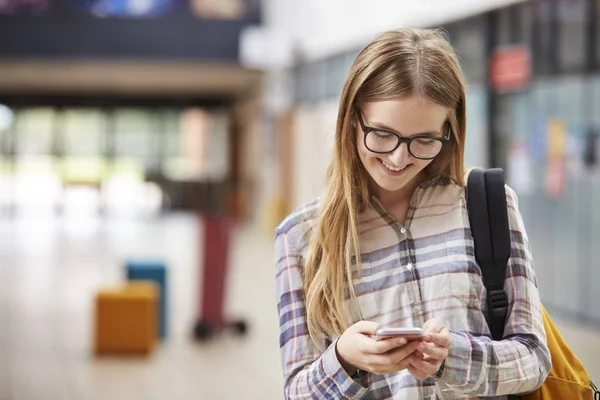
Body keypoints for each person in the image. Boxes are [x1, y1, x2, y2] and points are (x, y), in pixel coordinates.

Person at [274, 28, 551, 399]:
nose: (398, 158)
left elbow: (533, 359)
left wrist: (452, 358)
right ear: (352, 120)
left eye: (423, 140)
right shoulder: (301, 237)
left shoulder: (488, 205)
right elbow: (298, 393)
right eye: (383, 134)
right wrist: (344, 359)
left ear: (449, 132)